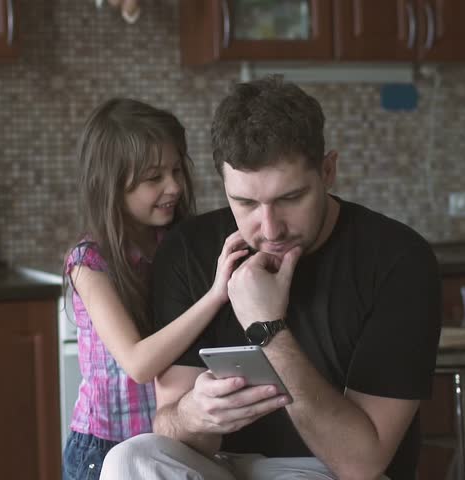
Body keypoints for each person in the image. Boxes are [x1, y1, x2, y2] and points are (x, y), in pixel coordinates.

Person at [100, 77, 443, 480]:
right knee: (129, 460)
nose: (269, 228)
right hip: (222, 466)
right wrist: (196, 414)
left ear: (328, 170)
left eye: (290, 198)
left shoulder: (397, 260)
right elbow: (170, 424)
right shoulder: (189, 250)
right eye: (245, 202)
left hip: (329, 471)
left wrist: (268, 330)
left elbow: (360, 462)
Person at [62, 98, 249, 480]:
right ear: (110, 185)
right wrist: (215, 294)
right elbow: (139, 363)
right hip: (103, 448)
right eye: (153, 178)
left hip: (164, 445)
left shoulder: (176, 246)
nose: (174, 187)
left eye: (177, 170)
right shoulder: (89, 263)